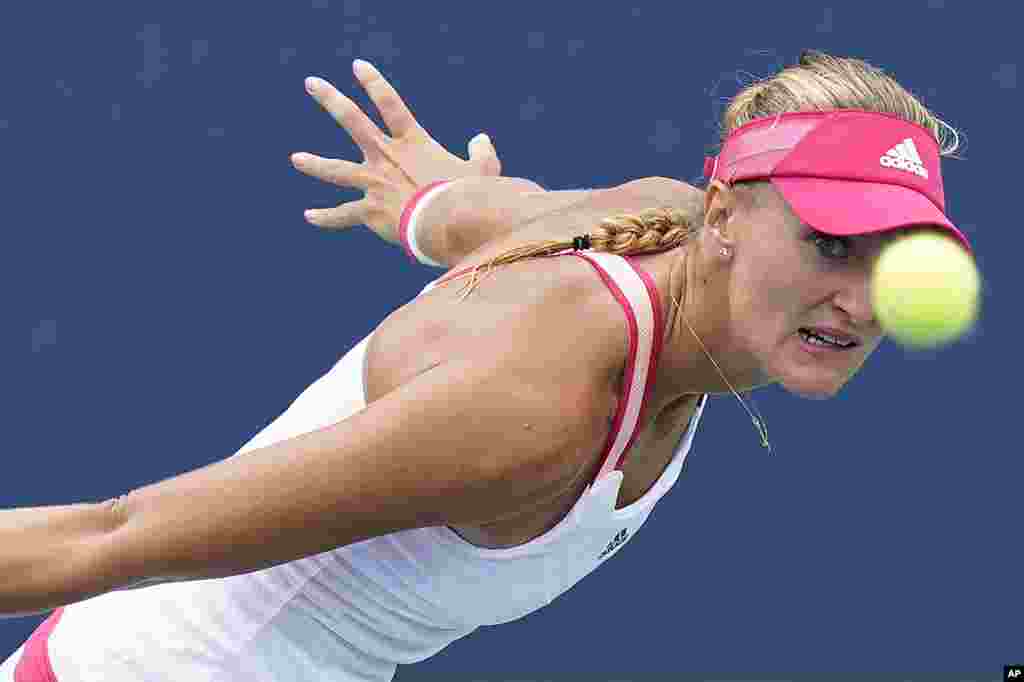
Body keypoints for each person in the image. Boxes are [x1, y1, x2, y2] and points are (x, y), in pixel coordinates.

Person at [0, 50, 970, 681]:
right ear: (723, 217)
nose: (861, 299)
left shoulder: (659, 219)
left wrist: (426, 204)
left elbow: (495, 210)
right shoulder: (534, 414)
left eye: (898, 259)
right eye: (831, 245)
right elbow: (112, 535)